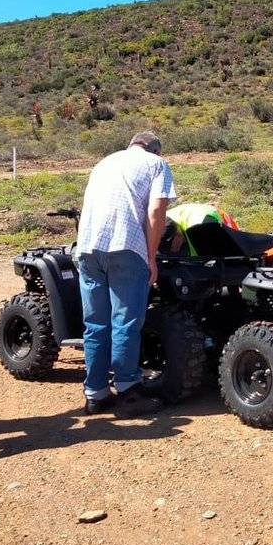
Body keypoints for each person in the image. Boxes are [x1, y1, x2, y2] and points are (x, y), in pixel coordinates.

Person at [76, 130, 176, 417]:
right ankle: (129, 393)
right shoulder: (157, 165)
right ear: (155, 150)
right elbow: (157, 212)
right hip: (126, 247)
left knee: (95, 324)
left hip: (87, 248)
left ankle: (95, 395)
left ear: (131, 145)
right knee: (125, 323)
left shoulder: (104, 163)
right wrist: (152, 256)